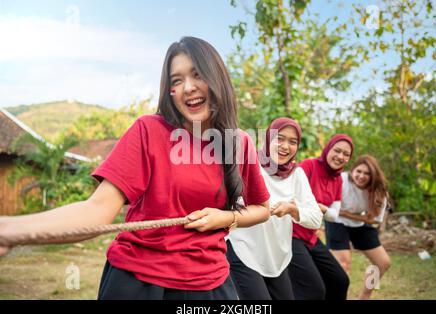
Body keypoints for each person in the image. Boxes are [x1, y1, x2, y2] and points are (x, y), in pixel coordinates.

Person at [0, 36, 271, 300]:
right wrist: (10, 229)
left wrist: (225, 218)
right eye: (176, 81)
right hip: (139, 282)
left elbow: (262, 209)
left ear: (217, 78)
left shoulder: (240, 144)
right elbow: (97, 210)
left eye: (197, 74)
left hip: (211, 285)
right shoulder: (148, 130)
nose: (187, 87)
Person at [226, 117, 322, 300]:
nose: (285, 146)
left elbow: (316, 218)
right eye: (280, 138)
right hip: (243, 250)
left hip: (277, 256)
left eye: (292, 142)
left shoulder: (297, 174)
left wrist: (292, 209)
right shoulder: (249, 165)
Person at [288, 134, 353, 300]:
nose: (340, 156)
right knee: (314, 290)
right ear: (328, 149)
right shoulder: (309, 166)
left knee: (340, 281)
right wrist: (323, 208)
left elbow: (333, 215)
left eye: (346, 154)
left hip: (311, 236)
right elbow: (292, 195)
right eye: (337, 150)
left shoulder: (338, 180)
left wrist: (316, 206)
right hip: (291, 235)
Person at [325, 154, 391, 300]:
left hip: (359, 223)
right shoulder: (341, 180)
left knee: (382, 263)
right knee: (343, 264)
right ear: (352, 170)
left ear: (373, 175)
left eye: (367, 173)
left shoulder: (379, 191)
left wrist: (348, 214)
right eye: (358, 171)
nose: (361, 176)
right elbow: (331, 208)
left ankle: (364, 297)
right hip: (336, 221)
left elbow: (374, 220)